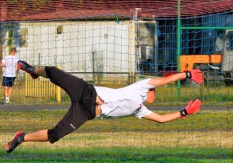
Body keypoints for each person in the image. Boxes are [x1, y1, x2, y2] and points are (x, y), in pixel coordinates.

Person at [6, 60, 203, 153]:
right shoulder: (142, 87)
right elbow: (164, 81)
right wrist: (187, 74)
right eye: (154, 92)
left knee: (55, 135)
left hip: (87, 111)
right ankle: (33, 70)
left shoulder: (140, 110)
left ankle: (21, 138)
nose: (154, 94)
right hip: (87, 92)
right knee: (53, 73)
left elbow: (161, 119)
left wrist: (184, 112)